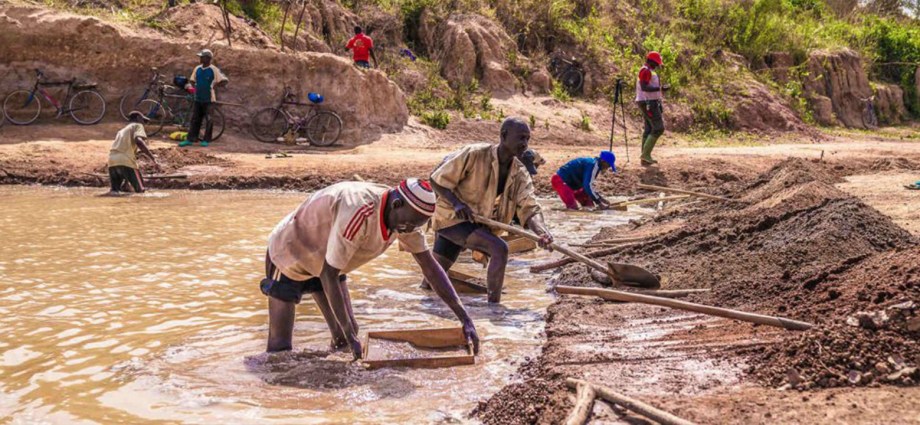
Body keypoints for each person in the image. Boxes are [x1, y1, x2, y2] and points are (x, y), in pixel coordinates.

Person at [261, 178, 479, 359]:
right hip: (292, 252)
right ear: (396, 205)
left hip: (328, 261)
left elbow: (430, 268)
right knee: (280, 352)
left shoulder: (407, 218)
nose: (409, 230)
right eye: (408, 224)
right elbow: (329, 275)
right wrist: (349, 334)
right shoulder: (359, 211)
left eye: (416, 227)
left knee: (344, 340)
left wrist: (464, 318)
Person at [425, 117, 554, 304]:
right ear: (503, 136)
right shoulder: (475, 154)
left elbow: (530, 207)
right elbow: (436, 180)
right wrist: (457, 203)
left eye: (527, 139)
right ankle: (494, 308)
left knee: (433, 279)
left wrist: (542, 232)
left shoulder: (520, 172)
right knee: (499, 248)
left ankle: (422, 307)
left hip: (476, 223)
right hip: (451, 218)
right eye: (521, 138)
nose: (525, 144)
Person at [180, 49, 229, 148]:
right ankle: (190, 139)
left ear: (208, 58)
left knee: (209, 119)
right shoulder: (197, 68)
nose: (200, 58)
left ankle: (206, 140)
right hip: (198, 98)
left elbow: (225, 80)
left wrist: (215, 85)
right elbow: (192, 80)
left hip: (209, 99)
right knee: (195, 119)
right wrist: (193, 88)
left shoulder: (213, 69)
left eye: (202, 57)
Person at [106, 111, 160, 194]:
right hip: (126, 161)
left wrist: (127, 181)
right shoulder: (138, 125)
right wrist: (153, 158)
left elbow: (123, 150)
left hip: (112, 161)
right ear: (138, 118)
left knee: (114, 192)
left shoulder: (122, 131)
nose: (144, 124)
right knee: (141, 192)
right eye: (143, 120)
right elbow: (138, 141)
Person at [635, 51, 670, 166]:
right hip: (648, 103)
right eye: (656, 63)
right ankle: (645, 154)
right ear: (651, 61)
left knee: (649, 128)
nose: (657, 66)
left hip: (648, 102)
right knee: (658, 128)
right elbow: (644, 87)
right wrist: (660, 89)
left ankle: (644, 157)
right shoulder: (645, 71)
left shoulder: (648, 71)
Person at [552, 151, 616, 211]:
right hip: (561, 180)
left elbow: (588, 185)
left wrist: (600, 198)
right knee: (572, 208)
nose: (608, 167)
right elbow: (588, 186)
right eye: (608, 165)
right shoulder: (593, 165)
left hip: (574, 184)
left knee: (589, 205)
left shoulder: (595, 165)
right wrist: (599, 203)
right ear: (603, 161)